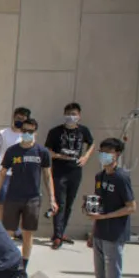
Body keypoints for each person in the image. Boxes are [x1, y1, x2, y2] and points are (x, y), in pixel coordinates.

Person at [78, 138, 136, 278]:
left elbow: (131, 207)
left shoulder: (121, 177)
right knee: (101, 277)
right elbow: (100, 204)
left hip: (115, 233)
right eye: (102, 151)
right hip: (100, 233)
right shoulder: (100, 176)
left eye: (108, 151)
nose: (104, 155)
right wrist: (93, 226)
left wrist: (107, 217)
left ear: (117, 154)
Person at [0, 118, 57, 278]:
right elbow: (2, 173)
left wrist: (52, 198)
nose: (27, 134)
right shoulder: (12, 151)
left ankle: (23, 268)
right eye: (25, 131)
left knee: (27, 234)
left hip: (32, 198)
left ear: (35, 132)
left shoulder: (41, 152)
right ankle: (8, 267)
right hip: (13, 197)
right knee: (8, 232)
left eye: (31, 131)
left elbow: (47, 175)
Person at [45, 102, 95, 249]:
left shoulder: (83, 131)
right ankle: (58, 236)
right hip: (59, 170)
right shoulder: (55, 132)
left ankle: (60, 232)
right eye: (68, 114)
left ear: (79, 116)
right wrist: (59, 156)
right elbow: (48, 150)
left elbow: (91, 143)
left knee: (69, 204)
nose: (71, 117)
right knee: (59, 203)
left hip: (75, 171)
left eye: (73, 114)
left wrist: (85, 157)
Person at [0, 107, 31, 236]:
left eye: (23, 119)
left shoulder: (27, 136)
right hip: (5, 174)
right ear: (13, 117)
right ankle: (2, 228)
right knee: (2, 202)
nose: (20, 121)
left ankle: (15, 229)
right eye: (18, 118)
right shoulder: (3, 133)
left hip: (21, 175)